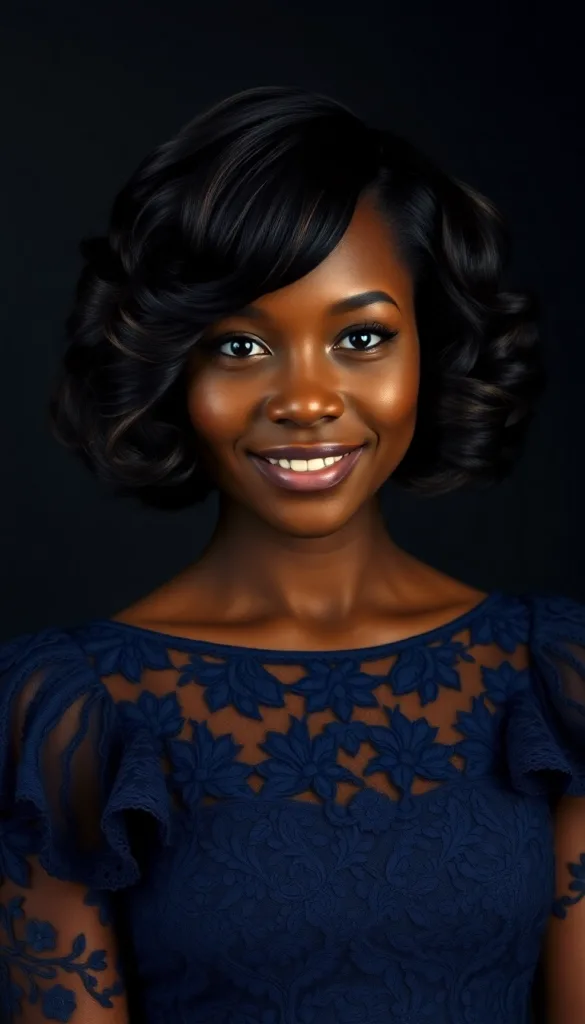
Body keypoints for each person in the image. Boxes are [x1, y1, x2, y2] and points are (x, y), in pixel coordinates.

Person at [0, 83, 582, 1024]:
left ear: (430, 349)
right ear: (170, 367)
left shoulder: (550, 679)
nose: (305, 398)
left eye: (361, 337)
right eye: (238, 345)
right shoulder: (66, 714)